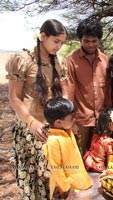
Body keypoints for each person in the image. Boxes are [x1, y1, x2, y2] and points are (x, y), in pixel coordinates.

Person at [5, 19, 68, 199]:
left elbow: (64, 96)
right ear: (43, 36)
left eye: (62, 43)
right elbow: (14, 98)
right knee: (32, 184)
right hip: (29, 130)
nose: (59, 47)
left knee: (54, 181)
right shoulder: (22, 61)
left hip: (53, 130)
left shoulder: (59, 63)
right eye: (56, 41)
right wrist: (32, 122)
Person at [67, 18, 110, 156]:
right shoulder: (71, 61)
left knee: (99, 158)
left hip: (102, 120)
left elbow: (108, 90)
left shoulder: (106, 60)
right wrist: (71, 121)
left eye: (94, 41)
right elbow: (69, 92)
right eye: (87, 41)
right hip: (81, 120)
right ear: (80, 40)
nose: (91, 44)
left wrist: (109, 117)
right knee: (78, 157)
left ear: (99, 40)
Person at [43, 97, 92, 200]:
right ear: (58, 122)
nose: (74, 120)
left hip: (79, 184)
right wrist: (67, 189)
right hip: (65, 190)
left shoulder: (67, 131)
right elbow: (56, 169)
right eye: (71, 118)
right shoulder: (53, 141)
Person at [83, 108, 113, 173]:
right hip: (99, 167)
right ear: (110, 124)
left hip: (88, 161)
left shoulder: (96, 135)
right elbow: (110, 161)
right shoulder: (108, 141)